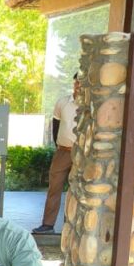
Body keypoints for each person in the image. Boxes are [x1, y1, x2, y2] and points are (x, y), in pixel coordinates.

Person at [33, 73, 80, 235]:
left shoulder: (90, 104)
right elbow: (56, 126)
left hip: (82, 154)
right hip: (63, 152)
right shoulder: (62, 103)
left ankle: (72, 225)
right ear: (74, 83)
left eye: (82, 83)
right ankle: (47, 225)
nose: (78, 86)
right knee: (54, 187)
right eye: (76, 82)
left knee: (77, 189)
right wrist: (59, 146)